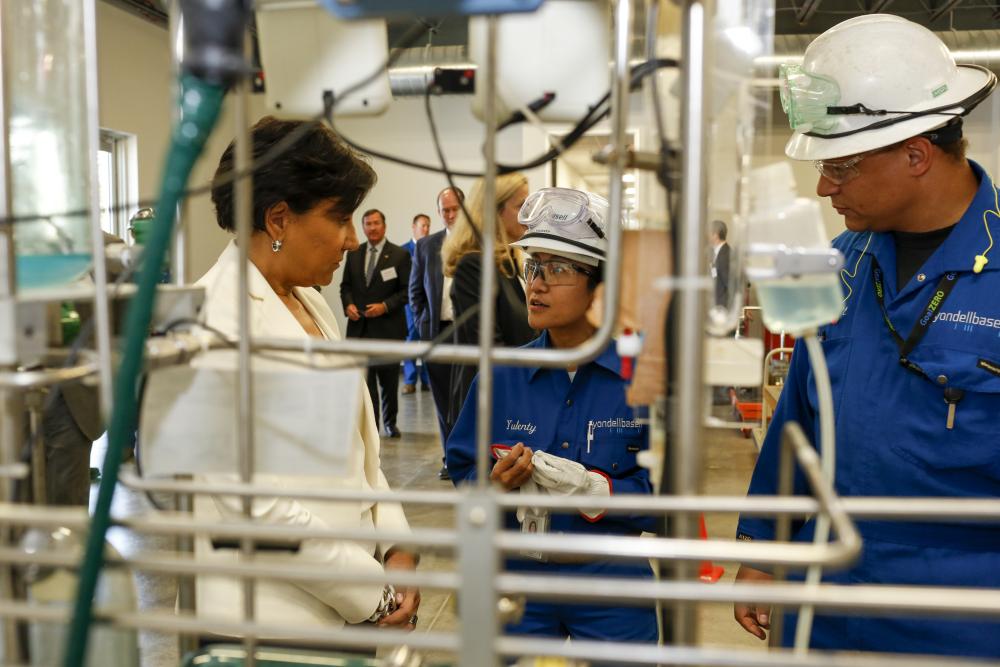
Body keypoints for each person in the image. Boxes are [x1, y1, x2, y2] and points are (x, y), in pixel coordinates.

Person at [733, 15, 1000, 658]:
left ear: (916, 154)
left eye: (842, 167)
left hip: (956, 618)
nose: (824, 187)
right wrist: (763, 547)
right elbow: (796, 418)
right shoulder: (827, 259)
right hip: (820, 600)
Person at [195, 116, 419, 637]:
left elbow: (361, 456)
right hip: (273, 616)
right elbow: (252, 504)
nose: (348, 240)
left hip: (349, 603)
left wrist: (396, 546)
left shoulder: (311, 302)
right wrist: (374, 595)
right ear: (278, 220)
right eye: (340, 219)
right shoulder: (211, 319)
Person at [446, 187, 658, 645]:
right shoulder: (502, 375)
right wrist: (493, 485)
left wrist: (599, 492)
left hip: (612, 584)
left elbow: (675, 501)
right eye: (533, 265)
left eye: (557, 269)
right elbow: (464, 473)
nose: (536, 283)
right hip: (517, 583)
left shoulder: (643, 381)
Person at [441, 173, 536, 450]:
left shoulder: (508, 263)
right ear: (494, 210)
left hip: (511, 397)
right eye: (521, 207)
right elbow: (488, 347)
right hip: (490, 405)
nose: (527, 216)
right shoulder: (474, 265)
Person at [340, 208, 411, 438]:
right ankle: (372, 426)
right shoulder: (354, 254)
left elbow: (406, 291)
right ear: (363, 227)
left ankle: (390, 423)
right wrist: (348, 304)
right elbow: (346, 287)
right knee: (365, 384)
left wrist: (385, 306)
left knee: (389, 383)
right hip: (360, 330)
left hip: (388, 330)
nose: (372, 228)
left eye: (376, 223)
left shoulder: (399, 255)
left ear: (384, 226)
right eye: (367, 224)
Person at [409, 186, 464, 480]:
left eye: (455, 209)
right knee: (443, 402)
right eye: (445, 210)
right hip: (437, 333)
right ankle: (450, 458)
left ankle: (469, 456)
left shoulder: (477, 243)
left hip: (468, 334)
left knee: (467, 399)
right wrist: (422, 324)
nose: (451, 215)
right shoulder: (426, 246)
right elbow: (415, 291)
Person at [401, 213, 431, 394]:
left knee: (428, 341)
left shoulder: (434, 248)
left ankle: (428, 380)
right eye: (422, 226)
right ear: (414, 227)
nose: (426, 229)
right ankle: (410, 380)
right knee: (410, 341)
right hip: (408, 304)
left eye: (428, 225)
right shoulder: (403, 251)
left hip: (429, 304)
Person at [709, 219, 730, 307]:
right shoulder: (713, 252)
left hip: (722, 308)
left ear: (716, 235)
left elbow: (729, 284)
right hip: (714, 305)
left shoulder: (727, 254)